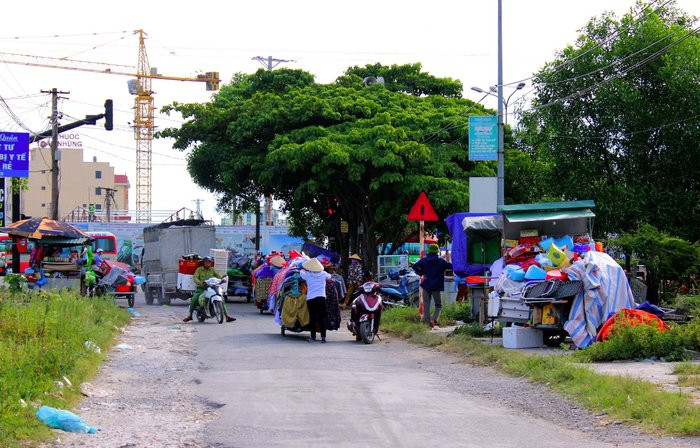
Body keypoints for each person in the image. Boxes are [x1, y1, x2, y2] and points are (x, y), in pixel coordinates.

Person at [183, 256, 235, 323]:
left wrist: (222, 280)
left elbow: (218, 276)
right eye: (206, 262)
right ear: (204, 263)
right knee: (194, 299)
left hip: (212, 288)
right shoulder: (199, 269)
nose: (208, 264)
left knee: (221, 298)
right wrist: (199, 282)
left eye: (209, 262)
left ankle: (227, 316)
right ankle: (190, 315)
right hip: (201, 288)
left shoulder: (212, 269)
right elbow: (195, 277)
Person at [412, 244, 452, 328]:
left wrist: (422, 273)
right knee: (438, 305)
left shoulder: (424, 260)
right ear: (437, 252)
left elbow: (414, 266)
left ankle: (427, 324)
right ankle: (434, 319)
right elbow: (451, 266)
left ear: (429, 251)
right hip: (436, 286)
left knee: (426, 304)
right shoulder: (441, 261)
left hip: (426, 285)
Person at [300, 257, 331, 343]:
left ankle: (313, 337)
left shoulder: (307, 275)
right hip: (321, 297)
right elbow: (330, 277)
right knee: (322, 317)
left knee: (312, 318)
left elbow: (301, 273)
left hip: (311, 298)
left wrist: (302, 269)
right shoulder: (324, 274)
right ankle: (323, 337)